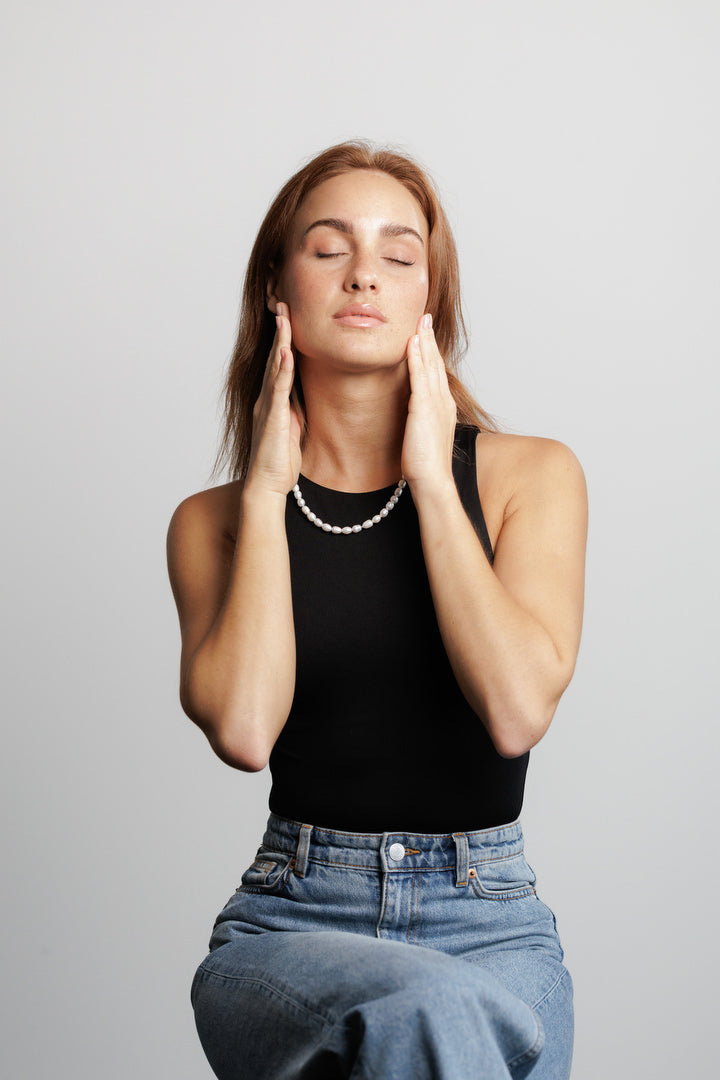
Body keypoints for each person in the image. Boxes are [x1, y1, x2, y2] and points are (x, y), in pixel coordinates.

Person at [166, 140, 588, 1080]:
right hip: (293, 922)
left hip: (490, 922)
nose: (364, 274)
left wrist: (433, 481)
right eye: (329, 248)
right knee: (432, 1010)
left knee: (443, 1015)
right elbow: (244, 730)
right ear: (276, 288)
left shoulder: (530, 477)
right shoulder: (212, 523)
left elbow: (517, 711)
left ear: (429, 299)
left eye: (399, 255)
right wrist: (267, 488)